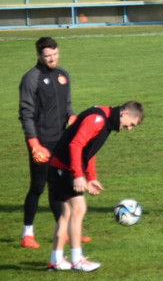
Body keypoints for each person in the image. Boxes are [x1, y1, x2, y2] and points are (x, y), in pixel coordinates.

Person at [47, 102, 145, 271]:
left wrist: (91, 177)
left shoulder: (106, 120)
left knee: (67, 214)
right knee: (79, 209)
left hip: (61, 167)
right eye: (131, 124)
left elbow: (89, 150)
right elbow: (76, 144)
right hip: (63, 168)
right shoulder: (98, 119)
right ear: (125, 113)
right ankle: (77, 260)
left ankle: (56, 260)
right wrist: (78, 176)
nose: (129, 129)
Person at [18, 37, 74, 250]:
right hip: (40, 142)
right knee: (37, 186)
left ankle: (64, 231)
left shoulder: (63, 75)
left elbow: (67, 106)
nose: (52, 58)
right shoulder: (31, 78)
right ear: (39, 56)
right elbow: (26, 113)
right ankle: (27, 234)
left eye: (55, 54)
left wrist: (72, 116)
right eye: (47, 55)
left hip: (60, 141)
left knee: (57, 187)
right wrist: (34, 143)